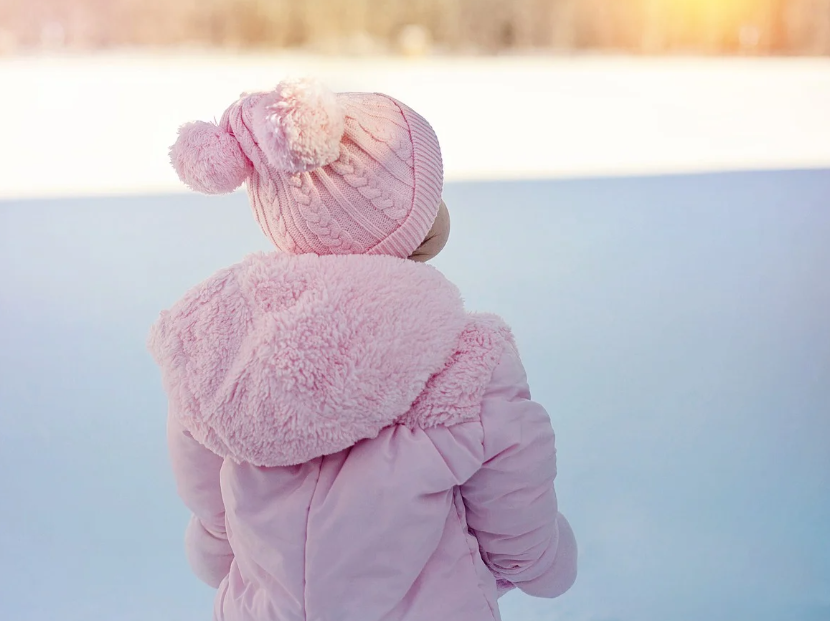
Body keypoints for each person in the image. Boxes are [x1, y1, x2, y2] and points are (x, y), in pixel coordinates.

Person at [148, 78, 577, 621]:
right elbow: (513, 500)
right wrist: (541, 564)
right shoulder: (464, 355)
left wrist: (218, 550)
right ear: (415, 224)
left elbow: (205, 484)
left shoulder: (221, 343)